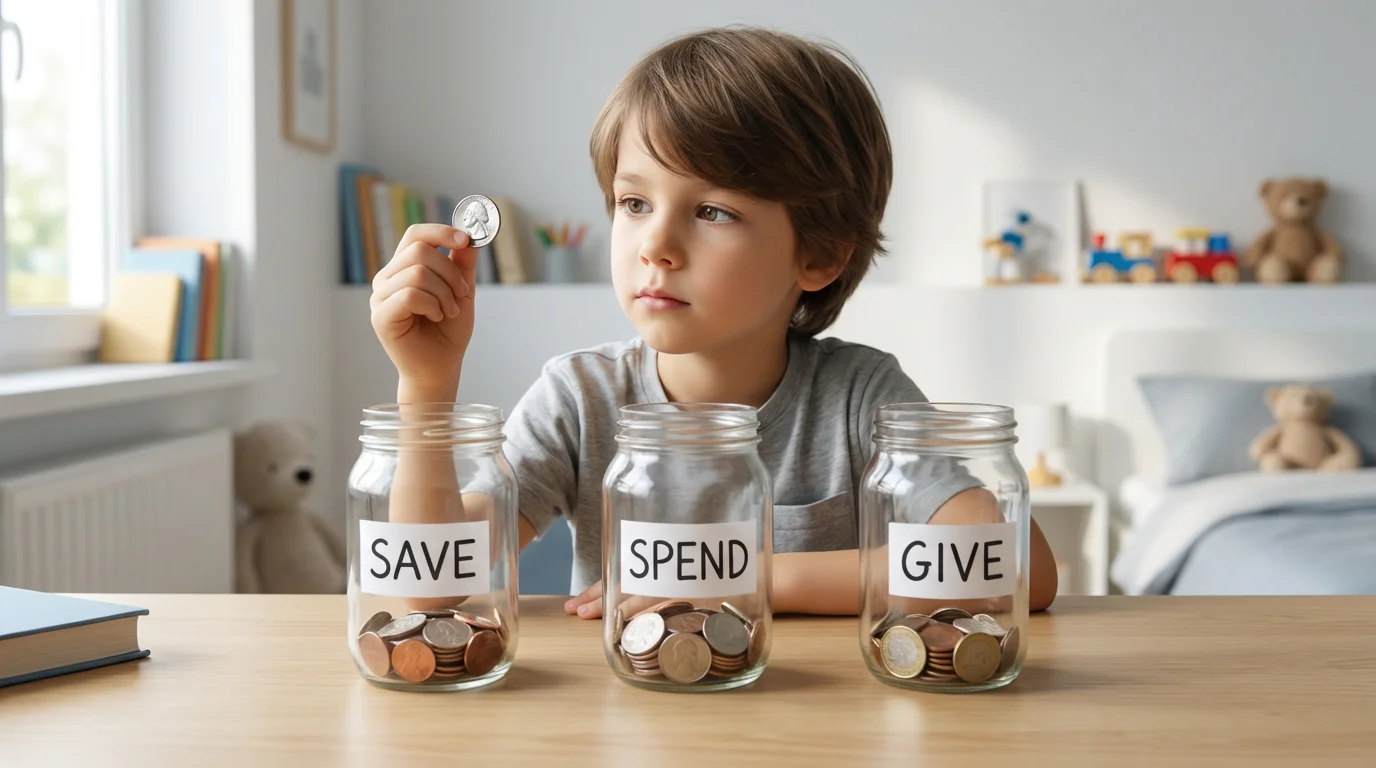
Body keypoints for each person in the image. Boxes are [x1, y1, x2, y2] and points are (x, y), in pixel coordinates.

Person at [368, 26, 1058, 620]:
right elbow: (431, 592)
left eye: (714, 212)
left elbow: (1019, 568)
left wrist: (746, 577)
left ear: (818, 255)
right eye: (634, 203)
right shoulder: (579, 398)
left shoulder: (859, 396)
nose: (655, 246)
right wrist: (426, 385)